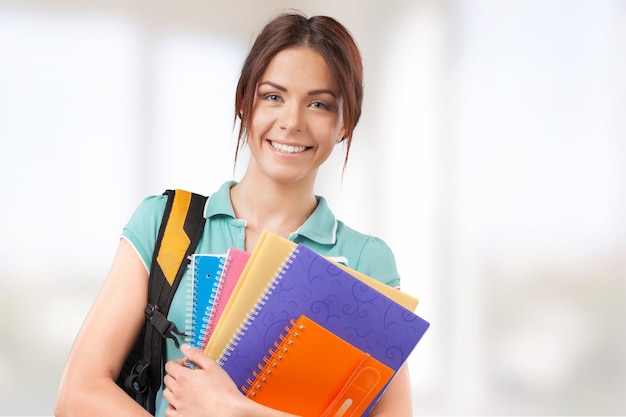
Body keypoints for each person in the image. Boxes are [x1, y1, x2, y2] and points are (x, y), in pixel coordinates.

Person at [55, 11, 413, 417]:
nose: (291, 122)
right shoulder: (166, 225)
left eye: (319, 104)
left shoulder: (368, 261)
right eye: (273, 96)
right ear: (245, 103)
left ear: (345, 122)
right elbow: (78, 395)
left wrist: (233, 410)